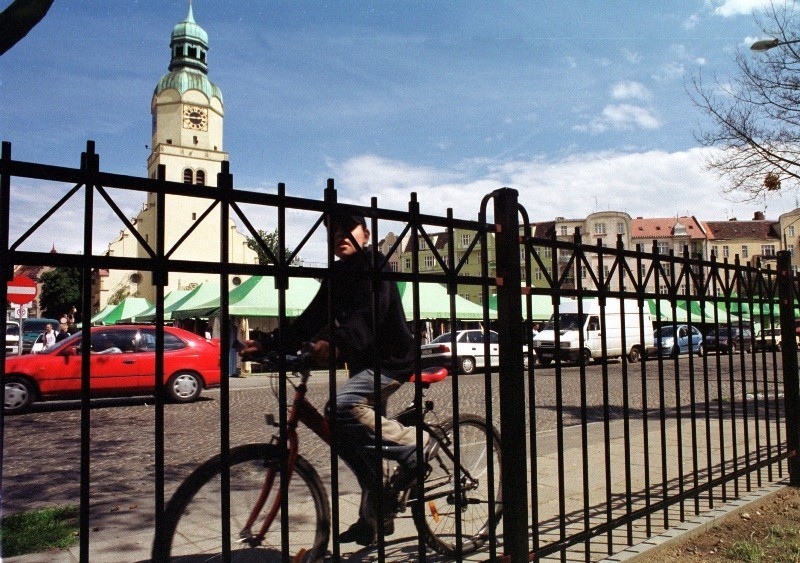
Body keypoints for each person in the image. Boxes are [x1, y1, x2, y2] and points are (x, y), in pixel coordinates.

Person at [241, 212, 418, 546]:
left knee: (339, 407)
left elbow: (370, 319)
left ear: (365, 234)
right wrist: (269, 343)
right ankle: (376, 516)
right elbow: (310, 319)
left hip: (391, 362)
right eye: (332, 232)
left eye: (347, 229)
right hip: (363, 363)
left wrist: (337, 343)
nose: (339, 236)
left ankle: (411, 447)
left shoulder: (375, 268)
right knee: (349, 440)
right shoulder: (338, 274)